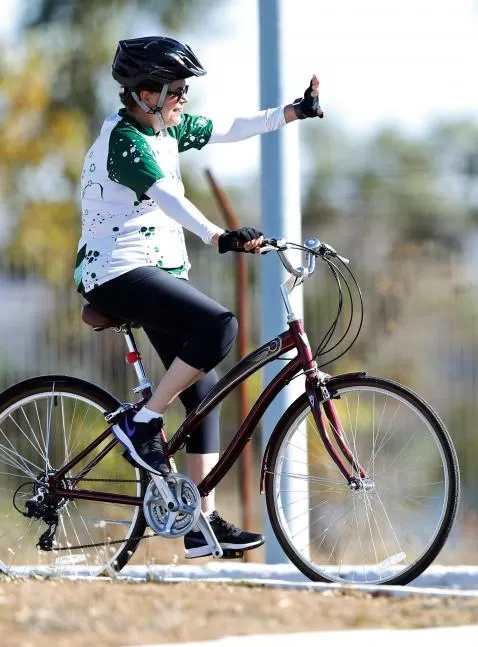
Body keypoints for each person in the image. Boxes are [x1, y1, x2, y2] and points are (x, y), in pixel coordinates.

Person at [73, 36, 324, 558]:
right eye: (177, 90)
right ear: (146, 94)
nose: (184, 98)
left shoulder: (163, 128)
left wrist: (293, 112)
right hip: (116, 272)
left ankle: (198, 524)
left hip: (156, 269)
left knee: (203, 390)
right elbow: (169, 197)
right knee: (220, 327)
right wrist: (217, 236)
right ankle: (141, 423)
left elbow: (229, 127)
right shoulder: (125, 142)